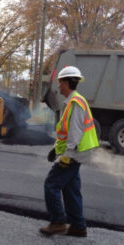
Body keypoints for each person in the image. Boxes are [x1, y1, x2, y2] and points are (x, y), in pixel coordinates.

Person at [39, 66, 99, 237]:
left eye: (60, 82)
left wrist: (67, 156)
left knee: (51, 185)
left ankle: (58, 221)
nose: (59, 86)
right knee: (71, 189)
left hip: (74, 154)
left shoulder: (75, 103)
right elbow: (66, 133)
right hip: (75, 152)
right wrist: (55, 149)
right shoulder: (74, 101)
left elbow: (75, 133)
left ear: (67, 82)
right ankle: (78, 227)